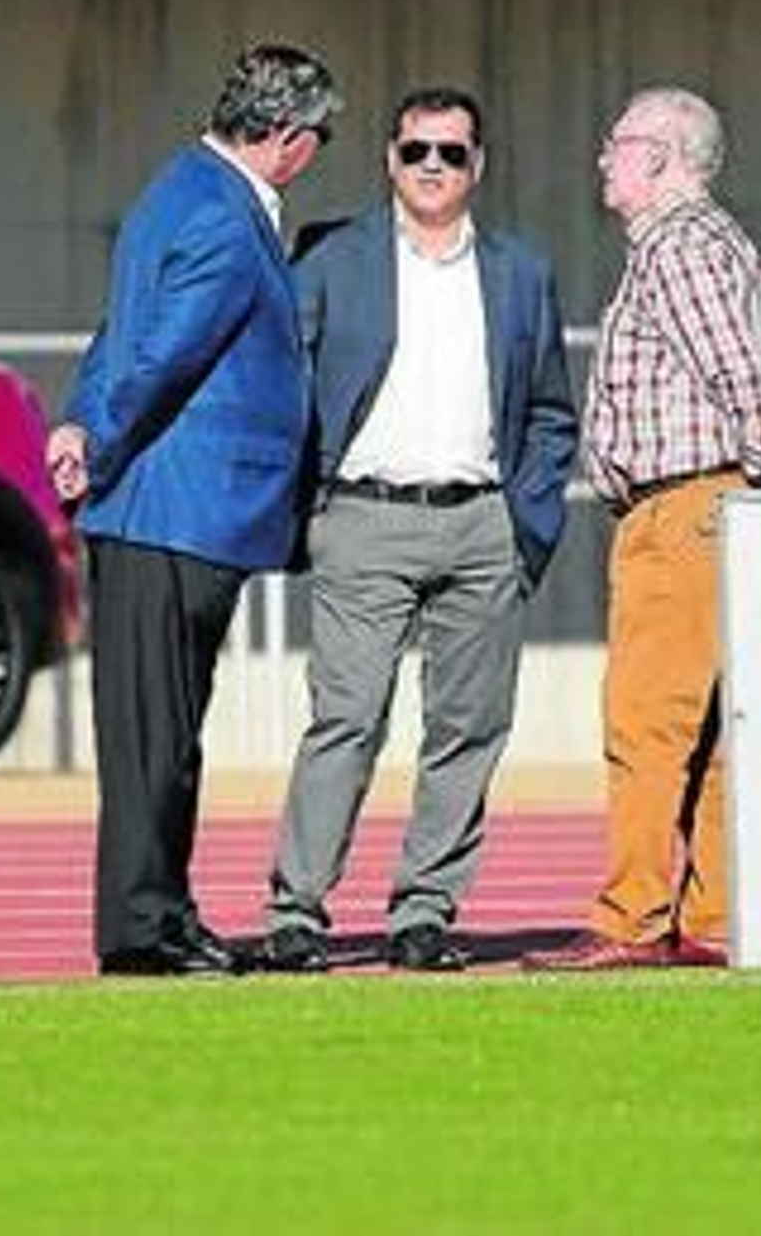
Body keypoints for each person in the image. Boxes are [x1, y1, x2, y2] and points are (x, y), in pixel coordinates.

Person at [259, 86, 578, 974]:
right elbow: (282, 384)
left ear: (478, 165)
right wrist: (309, 510)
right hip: (363, 519)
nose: (431, 167)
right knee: (347, 719)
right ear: (389, 161)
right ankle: (297, 910)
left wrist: (527, 527)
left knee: (468, 728)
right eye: (415, 152)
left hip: (482, 524)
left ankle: (426, 911)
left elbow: (552, 409)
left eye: (450, 152)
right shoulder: (333, 260)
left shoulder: (521, 272)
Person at [48, 43, 341, 977]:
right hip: (174, 506)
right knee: (155, 738)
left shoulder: (177, 187)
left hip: (164, 505)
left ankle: (165, 913)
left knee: (162, 731)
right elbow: (165, 352)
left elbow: (122, 332)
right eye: (320, 139)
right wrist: (100, 441)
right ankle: (143, 928)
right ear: (288, 137)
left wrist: (81, 420)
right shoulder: (222, 212)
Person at [526, 86, 761, 972]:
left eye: (616, 144)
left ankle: (634, 916)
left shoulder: (680, 245)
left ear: (660, 155)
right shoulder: (698, 240)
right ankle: (712, 915)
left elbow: (741, 376)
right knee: (719, 727)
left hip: (686, 505)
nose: (602, 158)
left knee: (649, 720)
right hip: (714, 504)